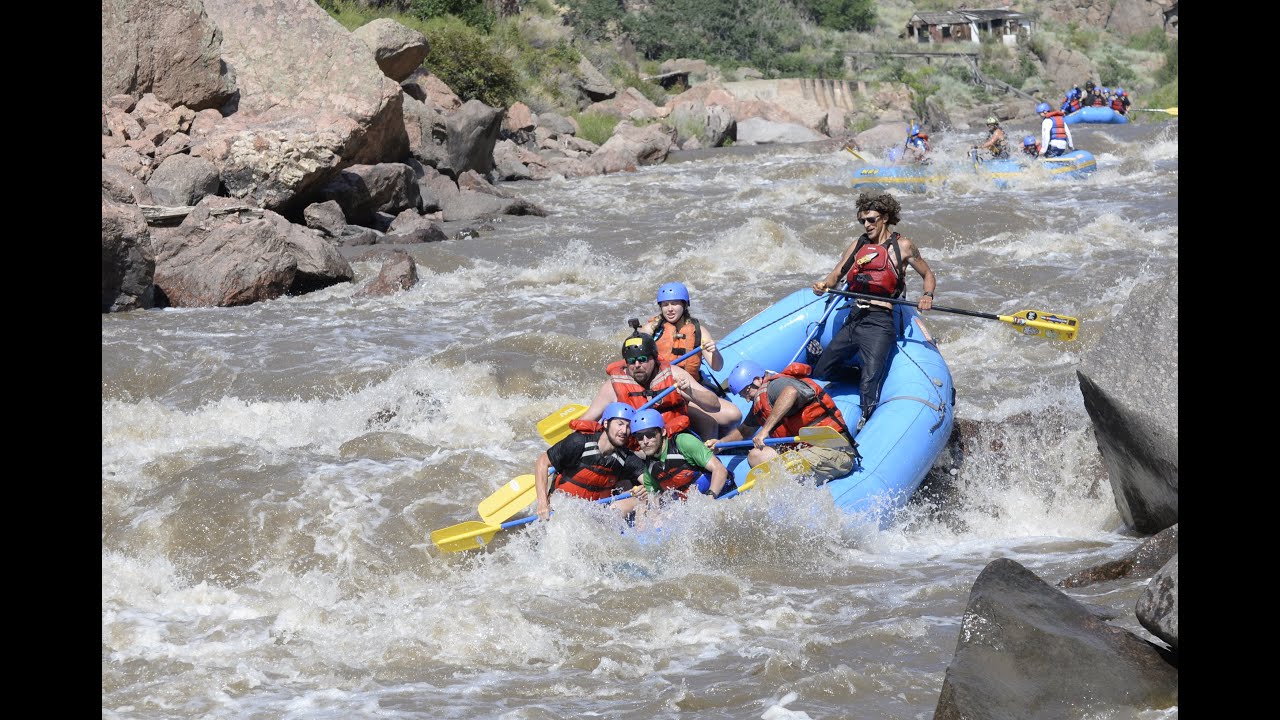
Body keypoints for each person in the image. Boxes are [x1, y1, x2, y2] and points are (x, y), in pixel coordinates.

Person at [808, 192, 936, 428]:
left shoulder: (903, 246)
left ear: (885, 217)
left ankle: (867, 420)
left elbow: (928, 274)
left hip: (880, 321)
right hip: (854, 317)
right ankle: (860, 375)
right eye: (862, 221)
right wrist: (823, 285)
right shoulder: (859, 245)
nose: (866, 225)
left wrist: (927, 295)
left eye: (871, 220)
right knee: (822, 371)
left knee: (870, 385)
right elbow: (836, 275)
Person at [705, 359, 858, 487]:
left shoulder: (776, 386)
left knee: (786, 469)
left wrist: (765, 430)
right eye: (742, 395)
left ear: (758, 380)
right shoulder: (761, 402)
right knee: (755, 455)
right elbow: (744, 431)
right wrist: (720, 444)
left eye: (746, 392)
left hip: (834, 451)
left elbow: (790, 393)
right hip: (805, 450)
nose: (746, 399)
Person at [578, 330, 737, 440]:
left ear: (654, 359)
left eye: (643, 359)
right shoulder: (613, 385)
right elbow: (588, 419)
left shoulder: (673, 375)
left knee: (709, 422)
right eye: (632, 361)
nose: (637, 365)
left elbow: (714, 405)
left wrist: (689, 391)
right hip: (637, 442)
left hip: (671, 438)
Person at [534, 402, 646, 520]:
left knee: (639, 499)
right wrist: (542, 503)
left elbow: (651, 483)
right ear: (606, 423)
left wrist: (647, 489)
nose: (624, 431)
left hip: (595, 515)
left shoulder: (626, 458)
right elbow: (542, 462)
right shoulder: (578, 443)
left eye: (628, 427)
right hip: (562, 509)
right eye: (620, 424)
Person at [629, 408, 732, 504]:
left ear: (663, 432)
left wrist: (710, 498)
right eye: (640, 437)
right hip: (692, 506)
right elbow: (656, 500)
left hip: (722, 495)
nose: (645, 441)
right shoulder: (650, 469)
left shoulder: (683, 442)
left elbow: (720, 470)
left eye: (650, 434)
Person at [639, 282, 724, 375]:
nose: (669, 309)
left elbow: (717, 367)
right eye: (665, 305)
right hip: (660, 383)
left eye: (674, 304)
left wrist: (715, 352)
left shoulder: (699, 331)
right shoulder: (650, 330)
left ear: (684, 305)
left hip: (689, 384)